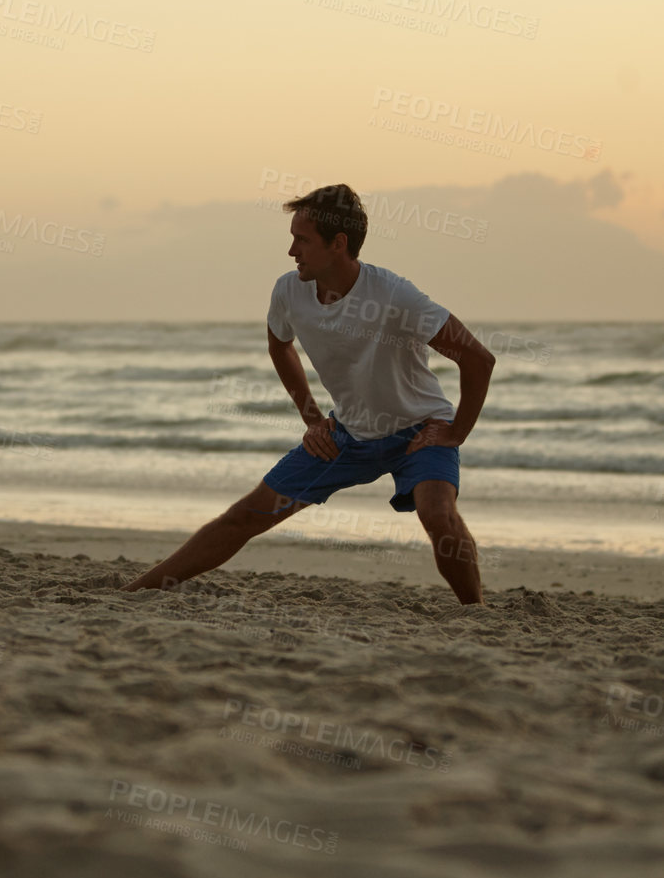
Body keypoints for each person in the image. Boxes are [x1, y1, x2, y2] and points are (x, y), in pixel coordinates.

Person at [123, 184, 495, 604]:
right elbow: (279, 344)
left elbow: (478, 359)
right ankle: (135, 593)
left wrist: (455, 433)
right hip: (347, 437)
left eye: (301, 240)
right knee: (243, 517)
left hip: (419, 433)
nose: (291, 251)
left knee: (439, 517)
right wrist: (313, 419)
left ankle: (475, 613)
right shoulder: (289, 291)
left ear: (338, 244)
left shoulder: (395, 295)